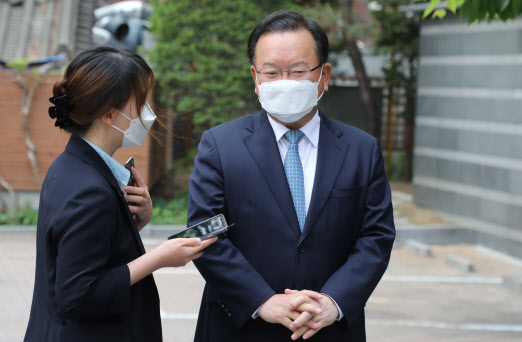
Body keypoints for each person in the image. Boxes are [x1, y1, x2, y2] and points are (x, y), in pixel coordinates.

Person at [187, 11, 395, 342]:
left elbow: (375, 237)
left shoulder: (361, 149)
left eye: (298, 71)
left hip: (329, 327)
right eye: (271, 72)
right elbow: (205, 233)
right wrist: (262, 300)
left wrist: (333, 302)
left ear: (323, 75)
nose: (284, 81)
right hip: (240, 325)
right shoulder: (220, 145)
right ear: (255, 78)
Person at [23, 46, 217, 342]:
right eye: (140, 104)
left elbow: (84, 250)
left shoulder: (70, 164)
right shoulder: (90, 190)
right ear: (109, 114)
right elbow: (77, 296)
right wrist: (159, 258)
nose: (147, 114)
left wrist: (134, 223)